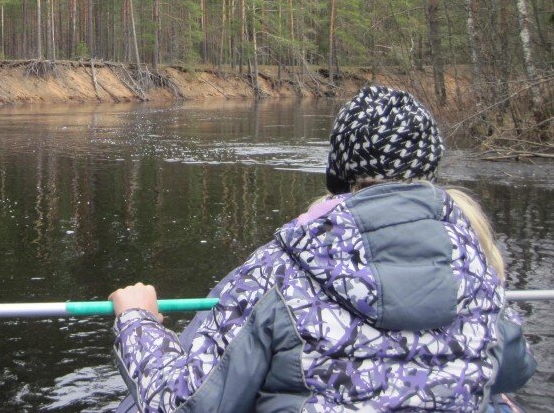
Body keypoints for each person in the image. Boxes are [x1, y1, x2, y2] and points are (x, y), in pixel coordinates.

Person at [110, 85, 536, 412]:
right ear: (429, 165)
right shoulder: (475, 260)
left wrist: (136, 321)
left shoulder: (283, 264)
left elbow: (182, 402)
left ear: (340, 171)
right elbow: (515, 367)